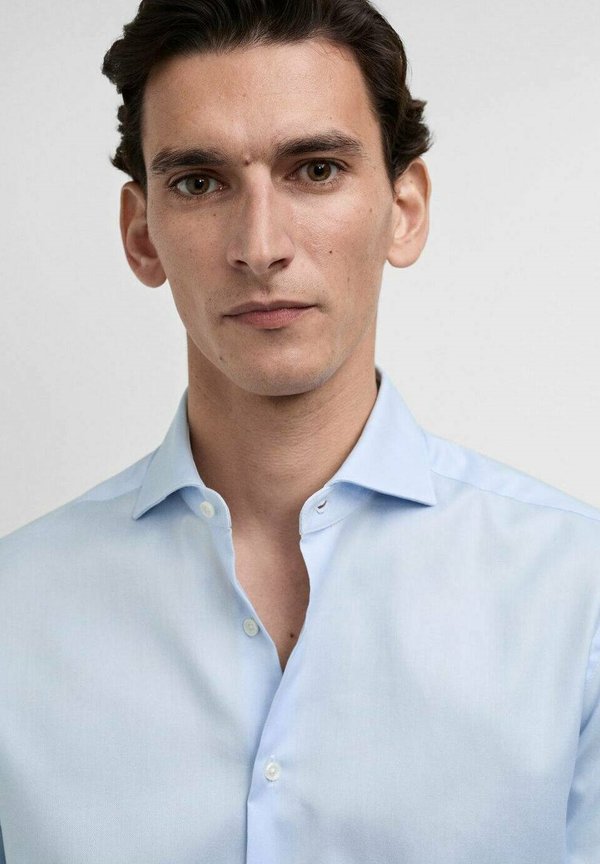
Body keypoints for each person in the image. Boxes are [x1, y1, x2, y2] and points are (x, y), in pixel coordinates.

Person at [0, 0, 598, 861]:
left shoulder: (578, 600)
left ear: (405, 209)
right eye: (199, 182)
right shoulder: (16, 611)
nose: (260, 245)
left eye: (315, 169)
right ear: (141, 235)